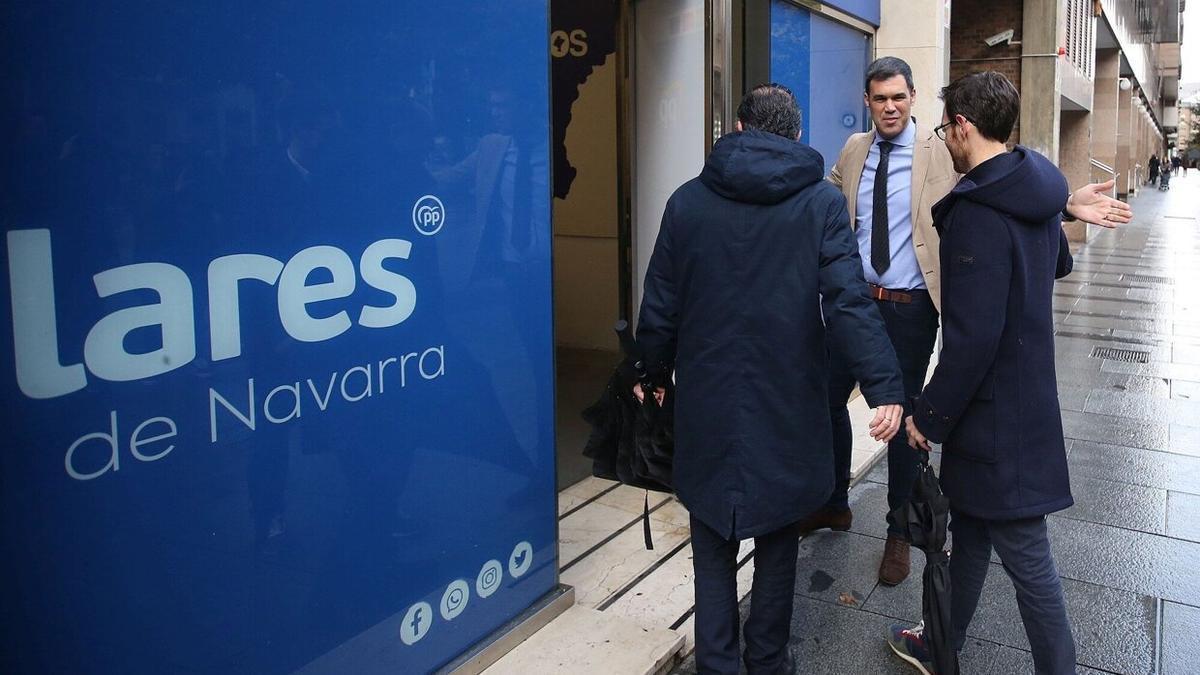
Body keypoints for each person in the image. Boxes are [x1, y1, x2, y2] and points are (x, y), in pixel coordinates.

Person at [800, 57, 1133, 587]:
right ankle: (833, 502)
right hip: (855, 306)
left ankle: (898, 532)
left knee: (905, 423)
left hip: (911, 306)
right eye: (879, 98)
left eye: (899, 97)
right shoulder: (853, 150)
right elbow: (826, 196)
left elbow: (1007, 188)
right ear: (867, 102)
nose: (889, 107)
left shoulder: (946, 150)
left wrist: (1062, 206)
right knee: (826, 400)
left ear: (912, 99)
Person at [635, 84, 906, 675]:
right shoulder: (820, 204)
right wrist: (884, 387)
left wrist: (651, 372)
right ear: (798, 134)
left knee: (710, 541)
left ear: (736, 127)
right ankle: (767, 661)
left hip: (706, 400)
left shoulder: (688, 201)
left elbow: (660, 303)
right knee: (779, 540)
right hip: (788, 400)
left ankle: (717, 664)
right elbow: (849, 303)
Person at [888, 71, 1080, 675]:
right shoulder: (1041, 187)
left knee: (1030, 565)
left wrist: (928, 418)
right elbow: (1058, 263)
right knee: (968, 536)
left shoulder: (975, 214)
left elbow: (971, 340)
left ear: (964, 126)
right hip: (1018, 404)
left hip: (998, 421)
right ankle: (940, 644)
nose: (945, 138)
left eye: (946, 127)